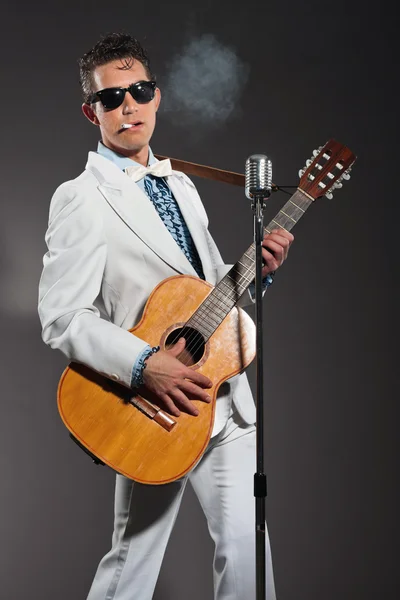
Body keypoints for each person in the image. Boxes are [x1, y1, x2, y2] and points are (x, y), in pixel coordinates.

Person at [38, 32, 294, 600]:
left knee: (249, 556)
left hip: (220, 397)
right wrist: (143, 365)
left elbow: (199, 295)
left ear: (157, 97)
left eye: (140, 90)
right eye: (112, 98)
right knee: (133, 566)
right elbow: (62, 316)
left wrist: (258, 268)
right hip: (151, 408)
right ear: (92, 111)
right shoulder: (80, 197)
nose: (129, 106)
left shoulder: (181, 184)